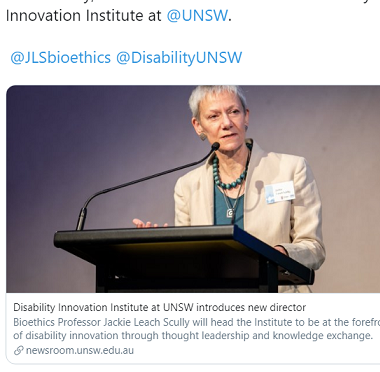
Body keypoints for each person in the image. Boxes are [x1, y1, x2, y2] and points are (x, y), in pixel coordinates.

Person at [134, 85, 325, 291]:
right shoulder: (187, 186)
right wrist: (157, 250)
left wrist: (280, 254)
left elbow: (313, 248)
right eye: (214, 116)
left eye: (234, 112)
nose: (226, 123)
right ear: (198, 126)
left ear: (246, 117)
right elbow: (191, 264)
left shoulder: (291, 169)